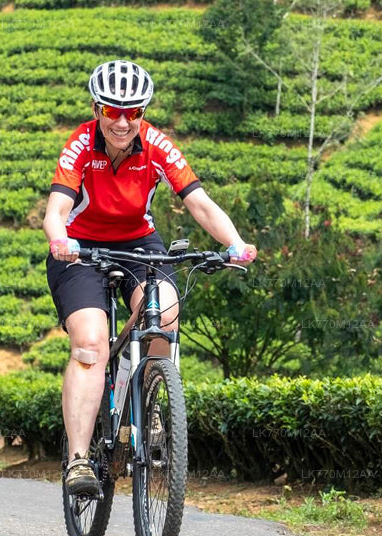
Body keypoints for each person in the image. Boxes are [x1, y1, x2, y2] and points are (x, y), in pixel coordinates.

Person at [43, 59, 257, 497]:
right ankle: (80, 460)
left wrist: (236, 243)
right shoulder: (80, 144)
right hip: (81, 249)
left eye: (134, 113)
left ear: (143, 113)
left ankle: (150, 398)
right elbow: (57, 212)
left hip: (139, 243)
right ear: (96, 108)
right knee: (89, 343)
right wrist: (59, 239)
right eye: (112, 111)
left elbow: (199, 203)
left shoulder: (158, 145)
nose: (122, 122)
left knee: (166, 313)